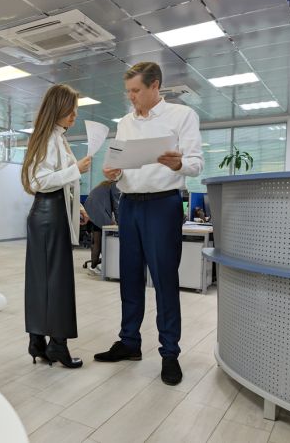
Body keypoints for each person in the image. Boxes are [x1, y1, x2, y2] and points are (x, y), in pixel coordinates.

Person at [93, 62, 204, 386]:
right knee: (129, 277)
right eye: (128, 91)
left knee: (164, 280)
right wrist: (113, 171)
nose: (131, 97)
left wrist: (179, 163)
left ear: (155, 86)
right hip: (128, 205)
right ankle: (129, 342)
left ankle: (170, 353)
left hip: (162, 205)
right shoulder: (125, 123)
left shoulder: (182, 116)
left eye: (136, 90)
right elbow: (117, 166)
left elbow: (196, 163)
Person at [21, 84, 92, 369]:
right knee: (57, 282)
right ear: (58, 108)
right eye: (71, 110)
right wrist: (77, 169)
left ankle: (38, 341)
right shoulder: (50, 139)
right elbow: (39, 181)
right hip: (49, 215)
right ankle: (58, 346)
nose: (75, 115)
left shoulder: (55, 137)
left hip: (49, 213)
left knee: (41, 281)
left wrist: (79, 208)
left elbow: (58, 182)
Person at [83, 180, 120, 275]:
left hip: (91, 210)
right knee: (101, 240)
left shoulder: (105, 184)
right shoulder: (115, 185)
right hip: (98, 211)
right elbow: (116, 205)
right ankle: (96, 267)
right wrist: (119, 222)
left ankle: (95, 266)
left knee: (97, 240)